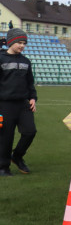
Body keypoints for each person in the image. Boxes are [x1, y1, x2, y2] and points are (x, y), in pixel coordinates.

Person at [0, 28, 37, 176]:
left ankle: (17, 156)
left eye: (24, 43)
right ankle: (3, 167)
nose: (22, 46)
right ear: (10, 42)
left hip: (23, 104)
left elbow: (30, 83)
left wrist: (33, 98)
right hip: (4, 105)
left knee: (30, 131)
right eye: (19, 42)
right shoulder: (1, 59)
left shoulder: (26, 61)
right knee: (6, 137)